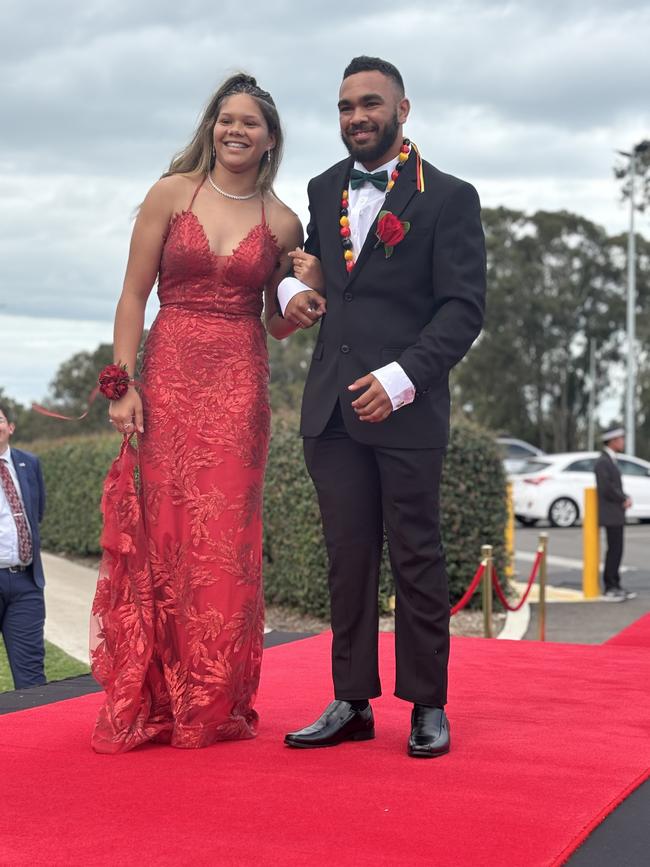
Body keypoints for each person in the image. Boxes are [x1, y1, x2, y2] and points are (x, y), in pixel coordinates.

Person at [90, 73, 308, 753]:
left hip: (240, 388)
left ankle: (211, 699)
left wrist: (299, 310)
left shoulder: (283, 221)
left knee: (224, 549)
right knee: (164, 536)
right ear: (211, 126)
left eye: (250, 122)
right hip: (169, 379)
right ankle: (153, 697)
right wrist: (120, 384)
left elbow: (275, 323)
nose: (236, 130)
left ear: (270, 139)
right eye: (226, 119)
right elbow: (133, 295)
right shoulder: (169, 193)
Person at [278, 56, 486, 757]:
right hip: (331, 414)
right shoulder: (321, 186)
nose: (356, 117)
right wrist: (290, 293)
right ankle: (352, 699)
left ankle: (428, 702)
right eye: (345, 107)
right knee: (348, 558)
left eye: (370, 103)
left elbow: (462, 310)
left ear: (403, 110)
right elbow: (305, 264)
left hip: (407, 410)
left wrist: (402, 379)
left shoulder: (449, 197)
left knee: (418, 558)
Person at [0, 404, 47, 690]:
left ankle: (37, 734)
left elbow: (36, 513)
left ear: (10, 427)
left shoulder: (29, 463)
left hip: (26, 583)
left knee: (31, 675)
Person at [594, 426, 636, 602]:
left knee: (617, 550)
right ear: (612, 441)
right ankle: (610, 586)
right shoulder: (603, 462)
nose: (623, 442)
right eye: (620, 439)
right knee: (614, 550)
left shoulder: (611, 460)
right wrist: (622, 498)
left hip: (615, 513)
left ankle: (616, 584)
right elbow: (606, 488)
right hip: (610, 513)